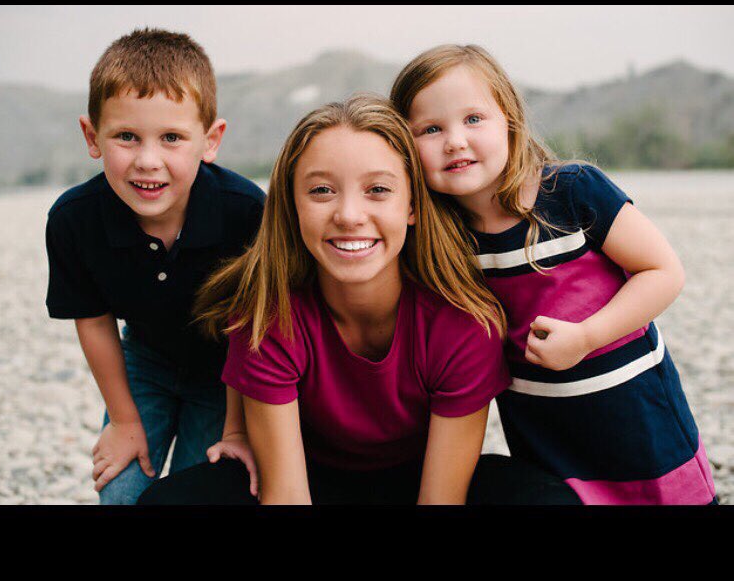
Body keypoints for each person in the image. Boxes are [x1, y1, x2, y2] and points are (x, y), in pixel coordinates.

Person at [139, 95, 581, 505]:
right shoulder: (269, 316)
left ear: (412, 206)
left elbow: (441, 500)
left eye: (378, 190)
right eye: (321, 191)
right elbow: (286, 496)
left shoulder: (463, 322)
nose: (349, 216)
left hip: (423, 481)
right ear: (292, 208)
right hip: (309, 480)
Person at [390, 43, 717, 505]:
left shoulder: (569, 191)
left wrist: (587, 336)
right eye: (430, 129)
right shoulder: (442, 239)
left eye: (473, 119)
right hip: (543, 434)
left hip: (637, 416)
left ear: (508, 119)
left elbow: (663, 270)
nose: (455, 141)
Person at [45, 28, 265, 504]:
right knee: (121, 494)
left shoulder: (243, 212)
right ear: (92, 136)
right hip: (144, 363)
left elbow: (248, 326)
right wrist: (123, 420)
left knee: (195, 491)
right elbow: (94, 319)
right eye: (126, 136)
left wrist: (237, 428)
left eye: (171, 138)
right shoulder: (74, 219)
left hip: (223, 373)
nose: (148, 160)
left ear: (210, 140)